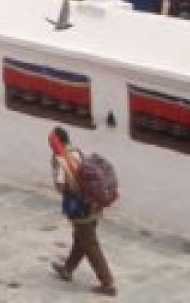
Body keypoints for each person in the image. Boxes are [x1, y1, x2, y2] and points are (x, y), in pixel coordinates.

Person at [49, 126, 116, 296]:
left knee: (89, 243)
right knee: (81, 239)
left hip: (80, 207)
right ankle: (67, 270)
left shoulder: (61, 159)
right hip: (94, 203)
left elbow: (60, 184)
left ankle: (107, 283)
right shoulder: (77, 151)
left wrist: (65, 190)